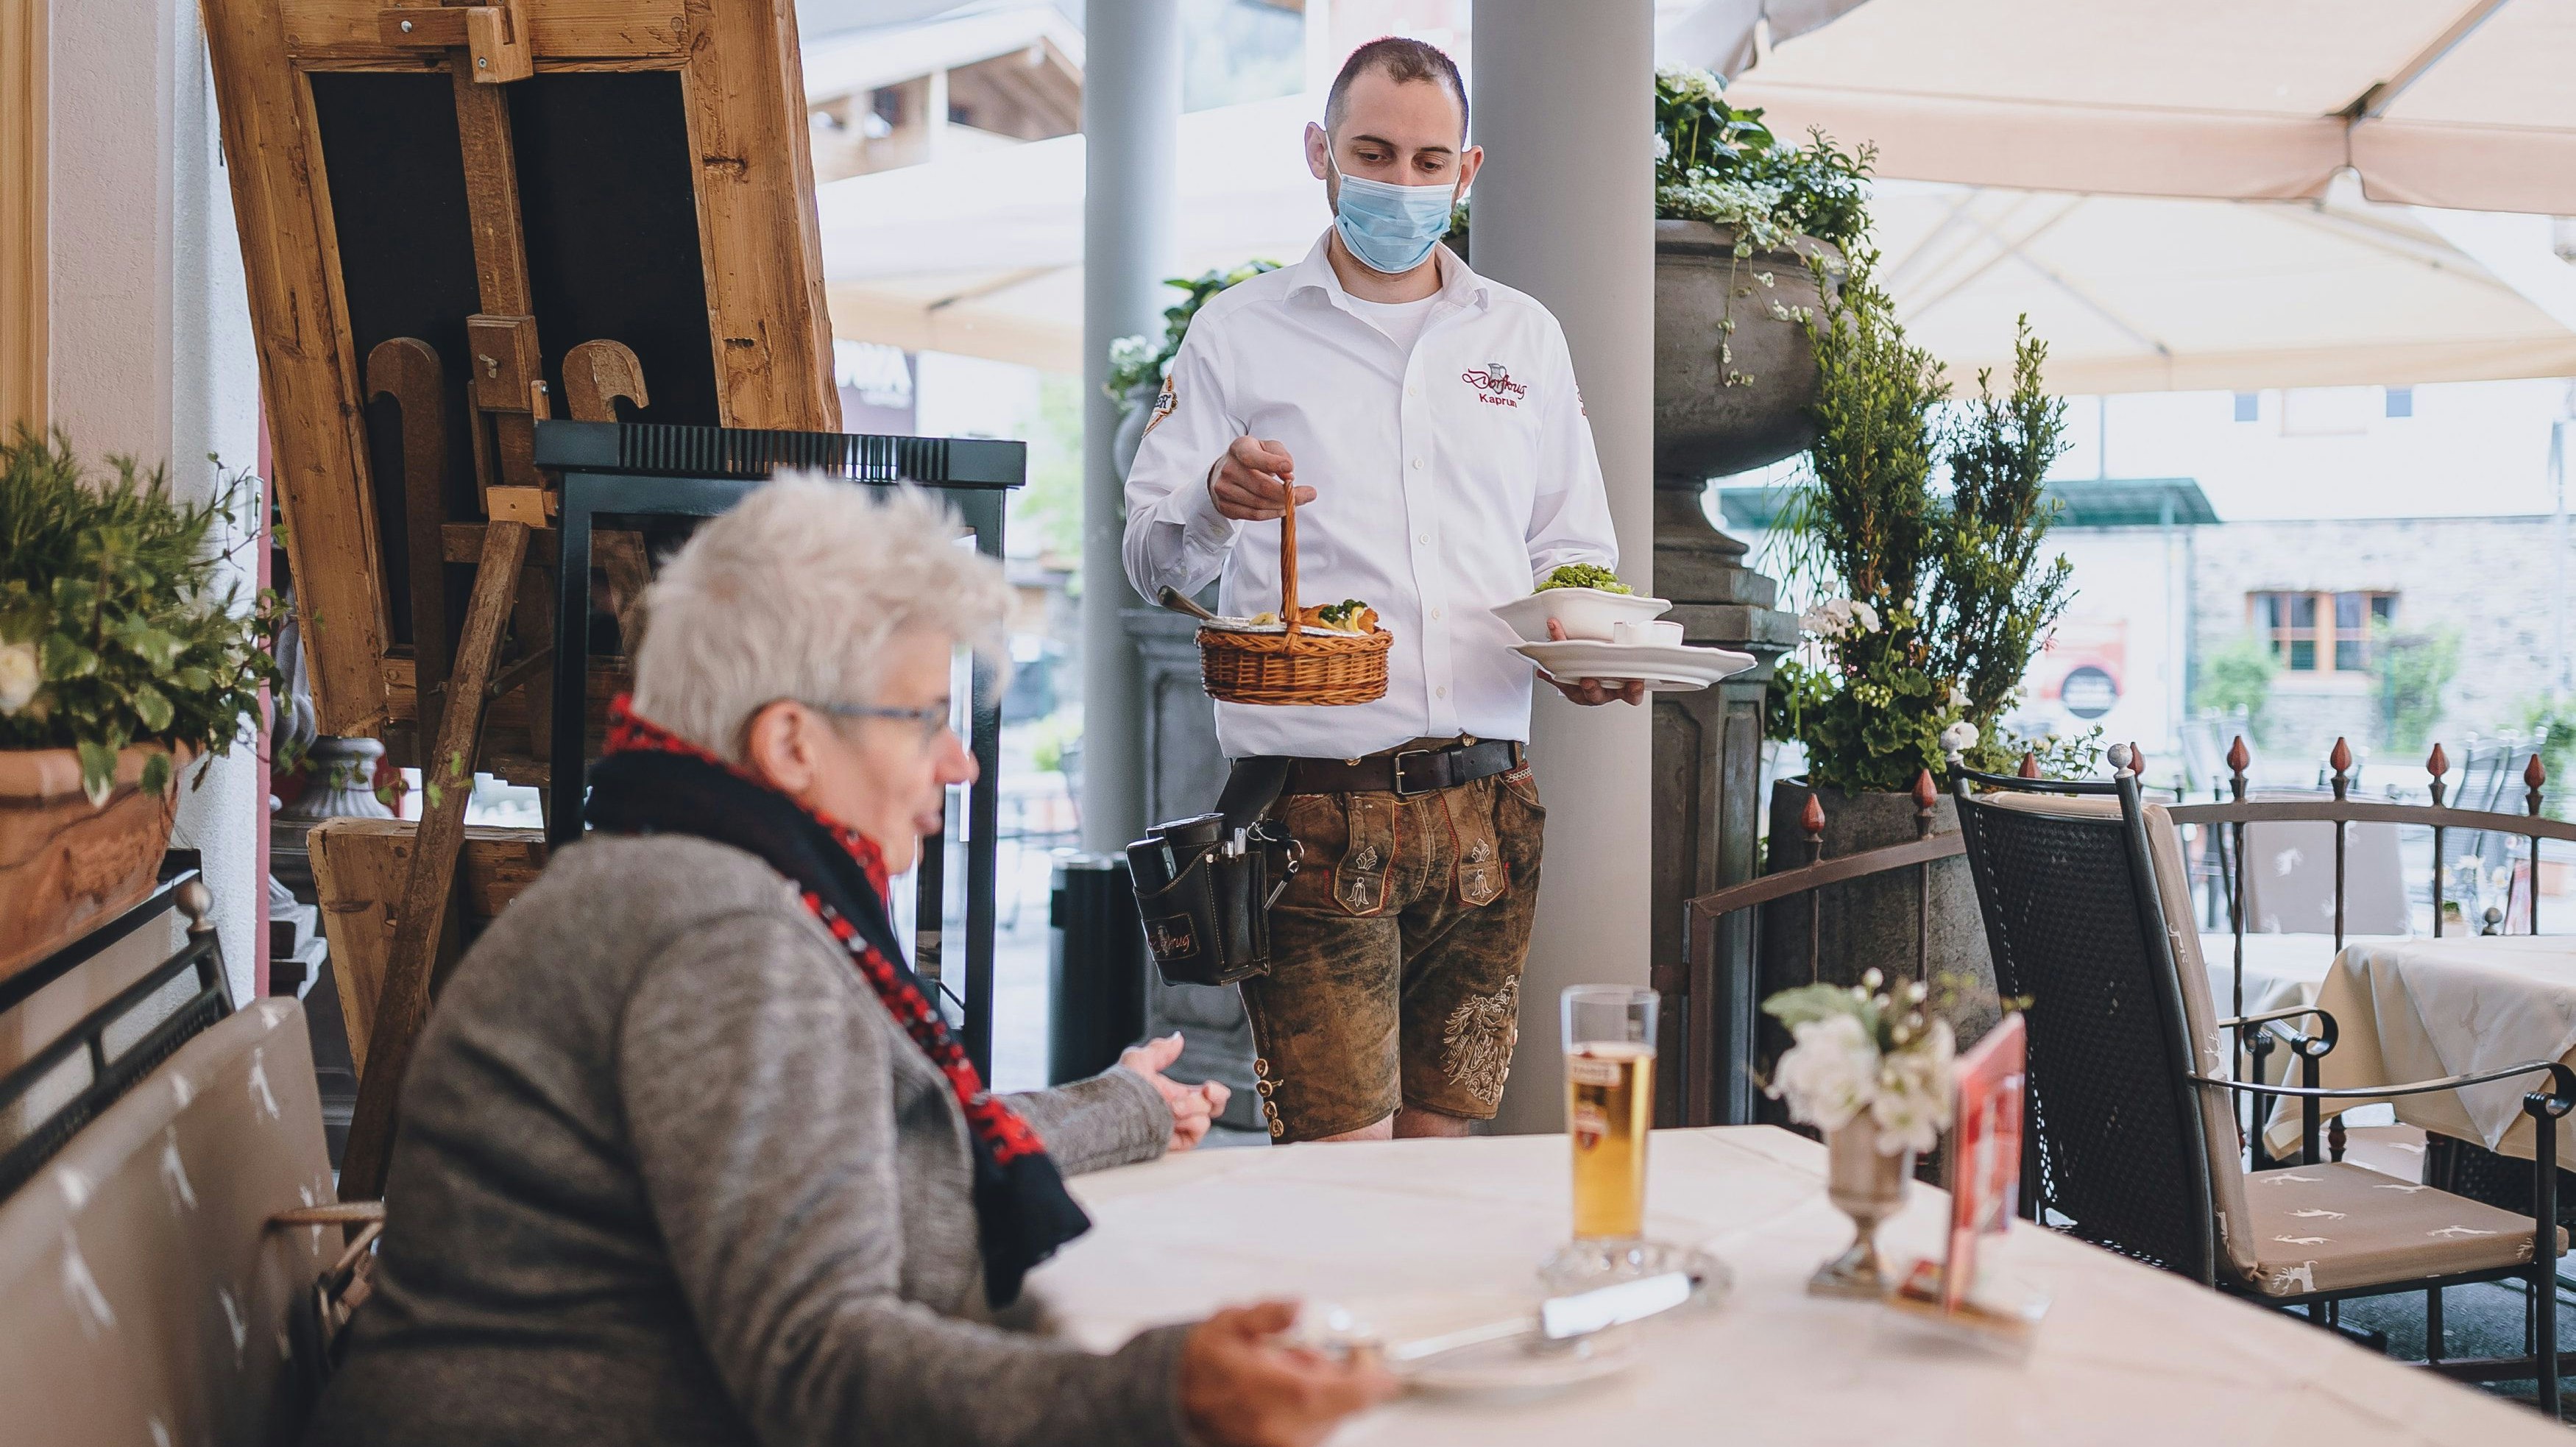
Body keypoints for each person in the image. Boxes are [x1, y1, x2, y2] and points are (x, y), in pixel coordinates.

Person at [307, 478, 1395, 1447]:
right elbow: (815, 1363)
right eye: (927, 718)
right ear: (791, 743)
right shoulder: (723, 934)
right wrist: (1161, 1396)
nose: (960, 760)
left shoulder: (680, 872)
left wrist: (1124, 1107)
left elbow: (858, 1139)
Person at [1122, 38, 1635, 1147]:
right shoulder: (1238, 330)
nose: (1400, 183)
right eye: (1372, 152)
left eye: (1426, 160)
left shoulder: (1522, 339)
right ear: (1321, 151)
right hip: (1313, 813)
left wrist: (1587, 652)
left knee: (1443, 1164)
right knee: (1341, 1175)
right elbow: (1153, 558)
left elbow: (1569, 546)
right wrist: (1217, 496)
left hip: (1488, 815)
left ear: (1468, 169)